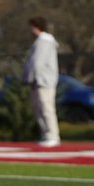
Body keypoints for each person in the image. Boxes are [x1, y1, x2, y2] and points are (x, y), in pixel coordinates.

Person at [24, 16, 60, 148]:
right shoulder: (39, 42)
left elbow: (38, 62)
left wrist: (33, 77)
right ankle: (46, 134)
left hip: (44, 81)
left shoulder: (45, 42)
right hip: (37, 81)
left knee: (47, 109)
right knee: (39, 109)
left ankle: (53, 136)